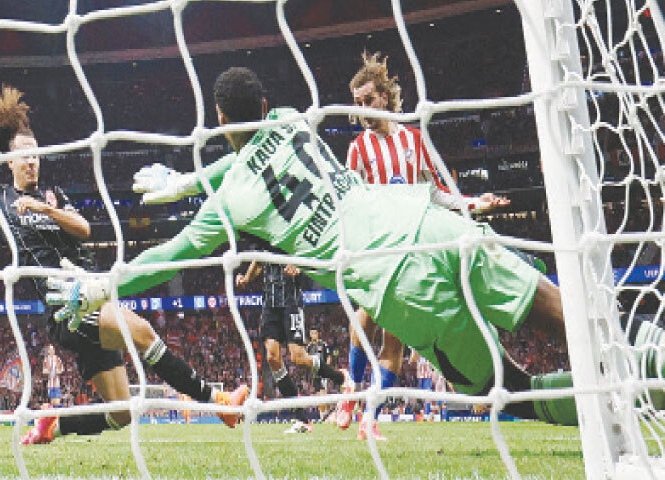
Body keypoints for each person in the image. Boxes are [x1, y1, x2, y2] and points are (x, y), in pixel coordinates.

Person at [50, 66, 665, 431]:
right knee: (541, 298)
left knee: (500, 388)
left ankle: (613, 402)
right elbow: (250, 148)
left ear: (215, 115)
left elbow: (172, 255)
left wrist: (108, 280)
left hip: (389, 278)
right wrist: (196, 175)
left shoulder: (230, 200)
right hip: (421, 220)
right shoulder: (290, 117)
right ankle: (642, 359)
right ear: (265, 106)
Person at [0, 85, 248, 445]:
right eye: (24, 157)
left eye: (36, 156)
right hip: (66, 307)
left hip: (89, 293)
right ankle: (216, 402)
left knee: (120, 413)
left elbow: (85, 228)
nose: (32, 162)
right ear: (9, 162)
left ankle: (53, 425)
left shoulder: (55, 196)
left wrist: (46, 209)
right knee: (140, 331)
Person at [337, 51, 515, 440]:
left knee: (394, 342)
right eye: (357, 104)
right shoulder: (358, 150)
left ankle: (369, 419)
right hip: (376, 247)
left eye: (369, 100)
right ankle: (350, 388)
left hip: (410, 249)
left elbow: (437, 192)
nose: (364, 110)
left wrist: (474, 203)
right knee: (365, 316)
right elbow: (348, 203)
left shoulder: (413, 140)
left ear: (385, 96)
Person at [235, 258, 349, 434]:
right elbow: (258, 261)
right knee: (272, 358)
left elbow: (310, 255)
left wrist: (299, 265)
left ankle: (340, 377)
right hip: (269, 304)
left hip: (291, 302)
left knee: (299, 357)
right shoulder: (263, 237)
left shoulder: (289, 235)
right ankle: (302, 419)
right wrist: (246, 278)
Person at [305, 327, 335, 421]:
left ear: (318, 334)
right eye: (311, 333)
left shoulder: (323, 344)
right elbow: (306, 359)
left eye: (315, 333)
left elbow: (329, 356)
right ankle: (323, 415)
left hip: (322, 373)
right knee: (318, 395)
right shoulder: (309, 347)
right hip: (314, 374)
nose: (313, 335)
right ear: (310, 335)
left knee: (323, 393)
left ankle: (326, 413)